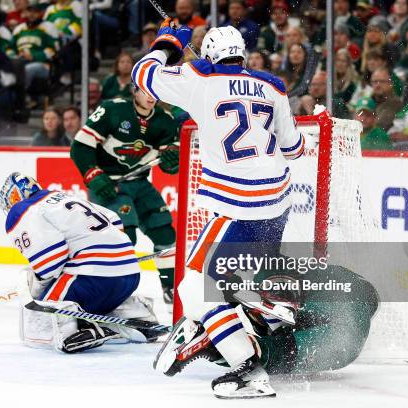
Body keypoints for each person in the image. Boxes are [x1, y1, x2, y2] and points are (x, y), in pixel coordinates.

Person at [131, 21, 307, 398]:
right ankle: (222, 324)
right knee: (226, 280)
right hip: (277, 206)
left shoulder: (199, 76)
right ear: (242, 53)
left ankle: (247, 369)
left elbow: (143, 75)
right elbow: (295, 149)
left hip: (237, 208)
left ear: (209, 54)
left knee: (193, 287)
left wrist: (168, 44)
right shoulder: (272, 86)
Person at [0, 172, 157, 352]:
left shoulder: (21, 209)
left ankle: (73, 330)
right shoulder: (63, 197)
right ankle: (135, 314)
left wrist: (36, 290)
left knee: (39, 316)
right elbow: (114, 219)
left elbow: (50, 263)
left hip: (91, 277)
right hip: (129, 274)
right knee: (97, 296)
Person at [70, 86, 179, 304]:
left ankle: (170, 289)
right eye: (146, 91)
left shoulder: (165, 120)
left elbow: (171, 159)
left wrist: (171, 160)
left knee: (165, 233)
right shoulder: (113, 110)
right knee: (124, 238)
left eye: (156, 91)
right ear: (134, 91)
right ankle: (111, 292)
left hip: (139, 183)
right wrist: (93, 175)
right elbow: (80, 146)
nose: (152, 97)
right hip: (110, 185)